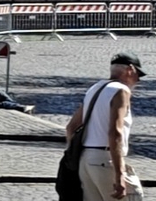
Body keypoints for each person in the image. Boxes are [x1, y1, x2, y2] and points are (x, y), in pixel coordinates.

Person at [65, 51, 144, 200]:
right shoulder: (121, 91)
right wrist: (119, 174)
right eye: (138, 75)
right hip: (105, 159)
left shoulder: (95, 89)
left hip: (86, 159)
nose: (138, 80)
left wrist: (74, 155)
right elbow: (115, 133)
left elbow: (71, 127)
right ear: (130, 69)